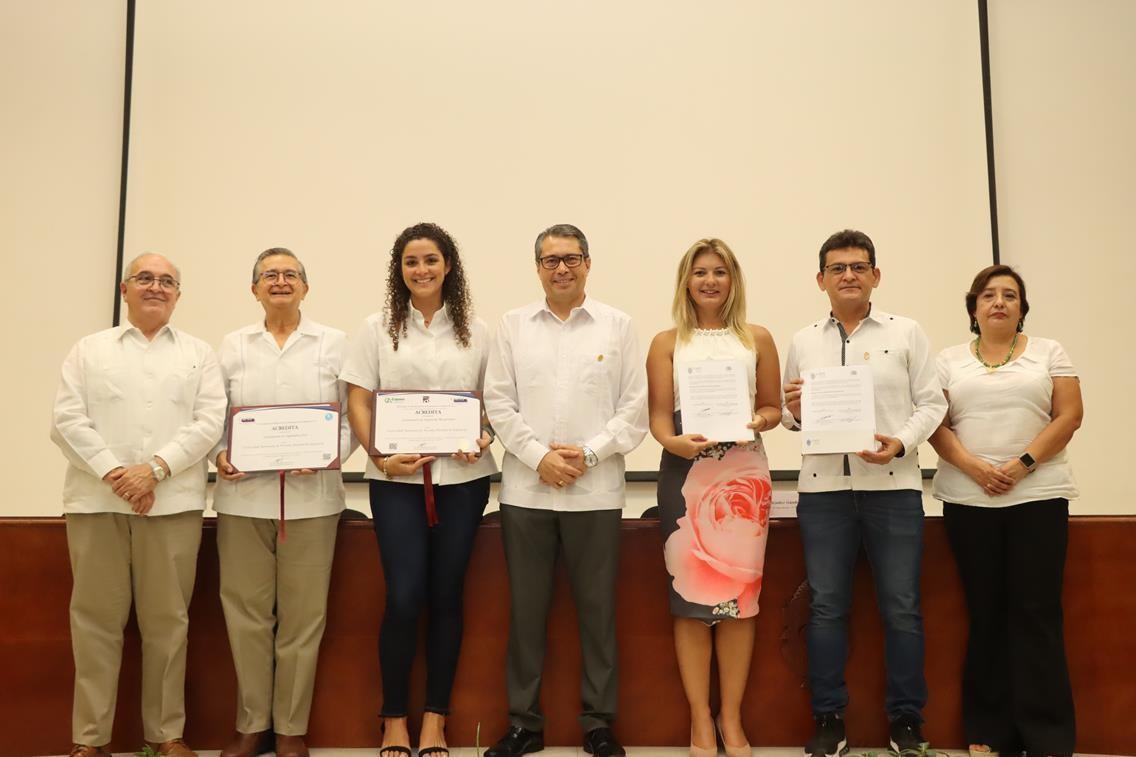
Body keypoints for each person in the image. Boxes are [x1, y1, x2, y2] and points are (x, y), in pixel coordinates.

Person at [482, 223, 648, 757]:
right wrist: (540, 458)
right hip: (526, 493)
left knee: (597, 613)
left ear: (588, 264)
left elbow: (634, 408)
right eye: (551, 260)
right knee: (526, 612)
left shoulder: (618, 326)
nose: (561, 268)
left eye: (571, 258)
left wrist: (590, 454)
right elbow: (499, 403)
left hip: (595, 492)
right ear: (537, 268)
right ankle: (523, 726)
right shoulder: (511, 326)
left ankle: (598, 724)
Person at [51, 253, 226, 757]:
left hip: (172, 505)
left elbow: (208, 422)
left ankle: (166, 735)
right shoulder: (89, 350)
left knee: (169, 623)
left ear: (178, 294)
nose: (156, 287)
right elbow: (67, 419)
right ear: (125, 290)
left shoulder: (199, 354)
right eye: (145, 278)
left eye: (167, 281)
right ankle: (90, 740)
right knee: (94, 624)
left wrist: (154, 470)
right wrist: (116, 473)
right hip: (95, 502)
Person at [781, 230, 946, 757]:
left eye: (858, 266)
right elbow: (789, 415)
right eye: (837, 268)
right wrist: (797, 411)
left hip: (893, 489)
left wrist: (900, 443)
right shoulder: (803, 340)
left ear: (876, 274)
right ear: (821, 279)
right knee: (826, 608)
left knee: (901, 608)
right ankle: (829, 718)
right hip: (824, 491)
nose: (848, 275)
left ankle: (906, 722)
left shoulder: (907, 333)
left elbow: (932, 404)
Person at [342, 223, 496, 757]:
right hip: (395, 481)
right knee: (405, 597)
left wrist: (481, 437)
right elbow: (358, 400)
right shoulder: (376, 329)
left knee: (447, 597)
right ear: (399, 269)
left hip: (463, 480)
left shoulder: (479, 330)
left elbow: (493, 401)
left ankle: (435, 718)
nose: (422, 270)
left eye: (431, 260)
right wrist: (379, 455)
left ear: (448, 265)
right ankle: (393, 720)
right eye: (411, 262)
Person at [929, 265, 1082, 757]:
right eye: (989, 295)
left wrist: (1021, 465)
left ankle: (1047, 737)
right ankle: (989, 732)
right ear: (973, 308)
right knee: (987, 613)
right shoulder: (947, 360)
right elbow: (936, 425)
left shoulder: (1048, 352)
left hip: (1038, 497)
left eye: (1010, 295)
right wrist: (975, 468)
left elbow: (1070, 415)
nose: (999, 302)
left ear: (1022, 306)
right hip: (969, 500)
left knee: (1036, 613)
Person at [212, 248, 353, 757]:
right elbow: (211, 415)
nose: (279, 281)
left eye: (289, 274)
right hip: (243, 499)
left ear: (305, 287)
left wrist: (326, 454)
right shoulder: (231, 346)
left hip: (313, 501)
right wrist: (220, 453)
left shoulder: (335, 344)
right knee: (246, 616)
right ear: (253, 290)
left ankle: (290, 727)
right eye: (269, 275)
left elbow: (349, 419)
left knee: (303, 618)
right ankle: (253, 724)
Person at [646, 239, 782, 757]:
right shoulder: (665, 342)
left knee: (740, 602)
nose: (709, 281)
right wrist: (672, 442)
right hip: (685, 469)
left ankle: (731, 718)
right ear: (686, 281)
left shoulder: (759, 338)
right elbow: (659, 418)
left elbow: (771, 407)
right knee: (690, 599)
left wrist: (760, 420)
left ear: (733, 280)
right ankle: (700, 720)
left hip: (744, 469)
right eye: (699, 272)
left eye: (719, 272)